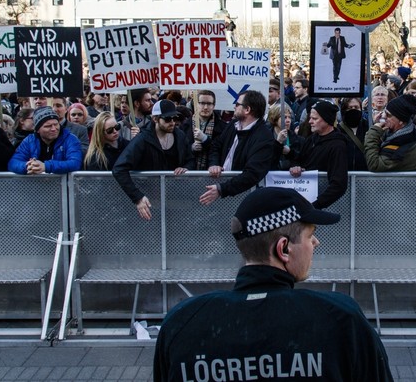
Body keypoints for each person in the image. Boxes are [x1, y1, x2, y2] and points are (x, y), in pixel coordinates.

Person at [153, 187, 394, 382]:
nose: (316, 243)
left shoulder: (181, 323)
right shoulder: (341, 319)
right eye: (310, 236)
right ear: (284, 249)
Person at [112, 100, 193, 220]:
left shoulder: (180, 135)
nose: (172, 122)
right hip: (150, 203)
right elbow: (119, 169)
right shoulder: (142, 139)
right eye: (167, 119)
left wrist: (186, 168)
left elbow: (190, 160)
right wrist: (138, 197)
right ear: (155, 119)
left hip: (176, 202)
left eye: (174, 118)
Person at [200, 90, 274, 206]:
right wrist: (214, 164)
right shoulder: (233, 124)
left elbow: (252, 174)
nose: (234, 106)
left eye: (237, 104)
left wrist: (222, 189)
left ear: (247, 110)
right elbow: (216, 145)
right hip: (221, 189)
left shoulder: (264, 137)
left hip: (242, 197)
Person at [289, 100, 349, 209]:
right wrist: (295, 167)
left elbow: (339, 185)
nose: (310, 122)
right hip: (304, 201)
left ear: (327, 120)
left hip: (323, 207)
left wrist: (315, 205)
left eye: (315, 118)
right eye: (310, 118)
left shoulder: (337, 146)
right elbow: (298, 159)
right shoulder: (312, 139)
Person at [8, 106, 83, 175]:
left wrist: (45, 166)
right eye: (48, 126)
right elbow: (13, 163)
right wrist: (28, 166)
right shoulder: (29, 141)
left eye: (56, 124)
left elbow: (75, 163)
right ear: (37, 130)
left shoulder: (70, 139)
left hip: (63, 186)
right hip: (36, 187)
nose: (54, 129)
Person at [364, 94, 416, 172]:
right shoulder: (396, 133)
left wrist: (374, 131)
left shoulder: (404, 143)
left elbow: (375, 165)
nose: (383, 116)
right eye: (384, 112)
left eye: (388, 115)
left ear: (401, 121)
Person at [185, 90, 228, 171]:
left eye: (209, 104)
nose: (205, 107)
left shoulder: (223, 127)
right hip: (189, 173)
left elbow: (221, 149)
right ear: (196, 104)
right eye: (202, 103)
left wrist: (205, 139)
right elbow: (181, 149)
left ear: (214, 106)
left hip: (213, 173)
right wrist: (191, 148)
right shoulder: (185, 125)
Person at [267, 105, 302, 170]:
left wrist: (290, 152)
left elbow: (300, 159)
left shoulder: (296, 138)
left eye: (289, 117)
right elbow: (266, 160)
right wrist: (278, 143)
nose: (288, 120)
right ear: (275, 118)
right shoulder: (265, 137)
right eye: (284, 117)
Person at [337, 96, 368, 170]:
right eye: (350, 108)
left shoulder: (368, 127)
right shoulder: (338, 130)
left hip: (365, 176)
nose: (353, 110)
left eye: (356, 107)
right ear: (344, 110)